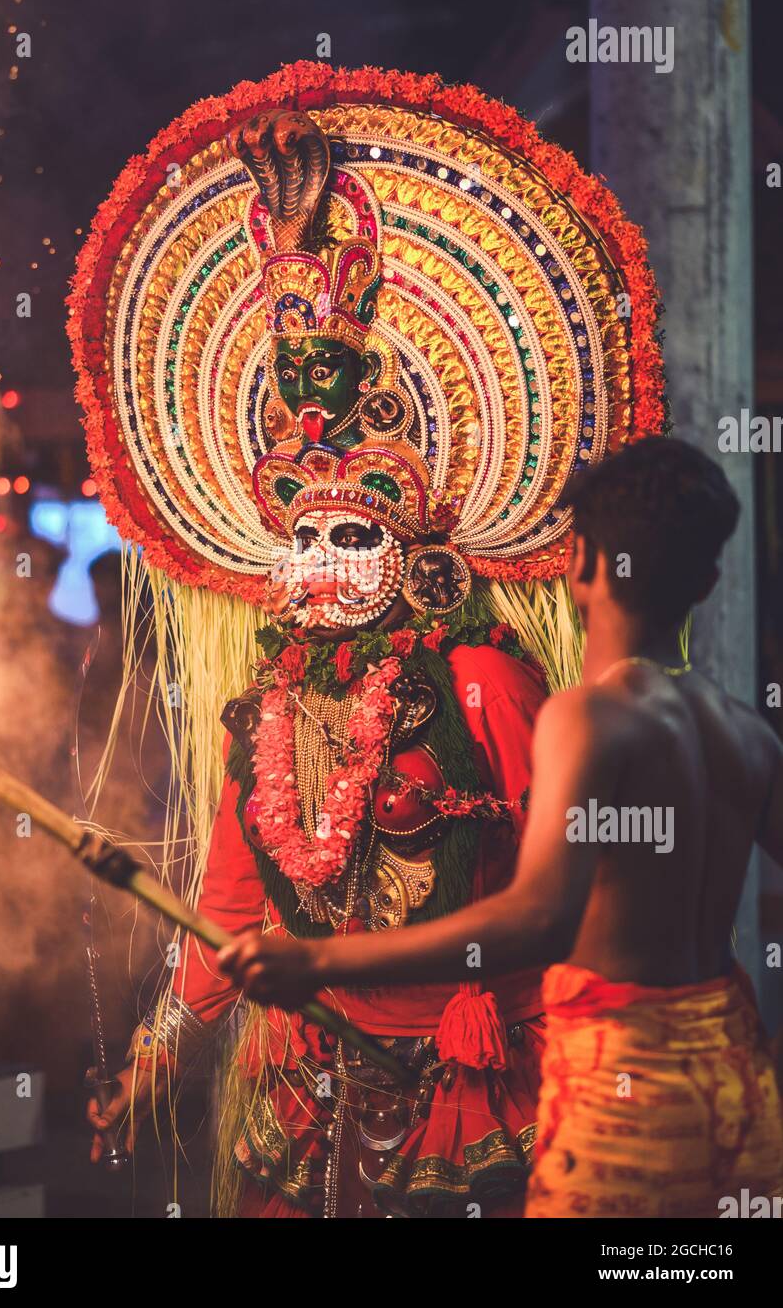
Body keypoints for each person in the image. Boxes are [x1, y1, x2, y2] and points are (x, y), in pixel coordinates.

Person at [72, 62, 666, 1216]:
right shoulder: (275, 693)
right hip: (302, 1080)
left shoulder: (484, 681)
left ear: (414, 544)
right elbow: (232, 902)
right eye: (298, 533)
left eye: (350, 531)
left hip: (474, 1077)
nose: (318, 563)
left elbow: (581, 895)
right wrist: (159, 1045)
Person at [220, 437, 783, 1218]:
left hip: (623, 1081)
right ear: (711, 577)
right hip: (736, 1071)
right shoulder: (746, 733)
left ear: (579, 563)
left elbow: (539, 918)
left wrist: (321, 957)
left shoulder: (586, 717)